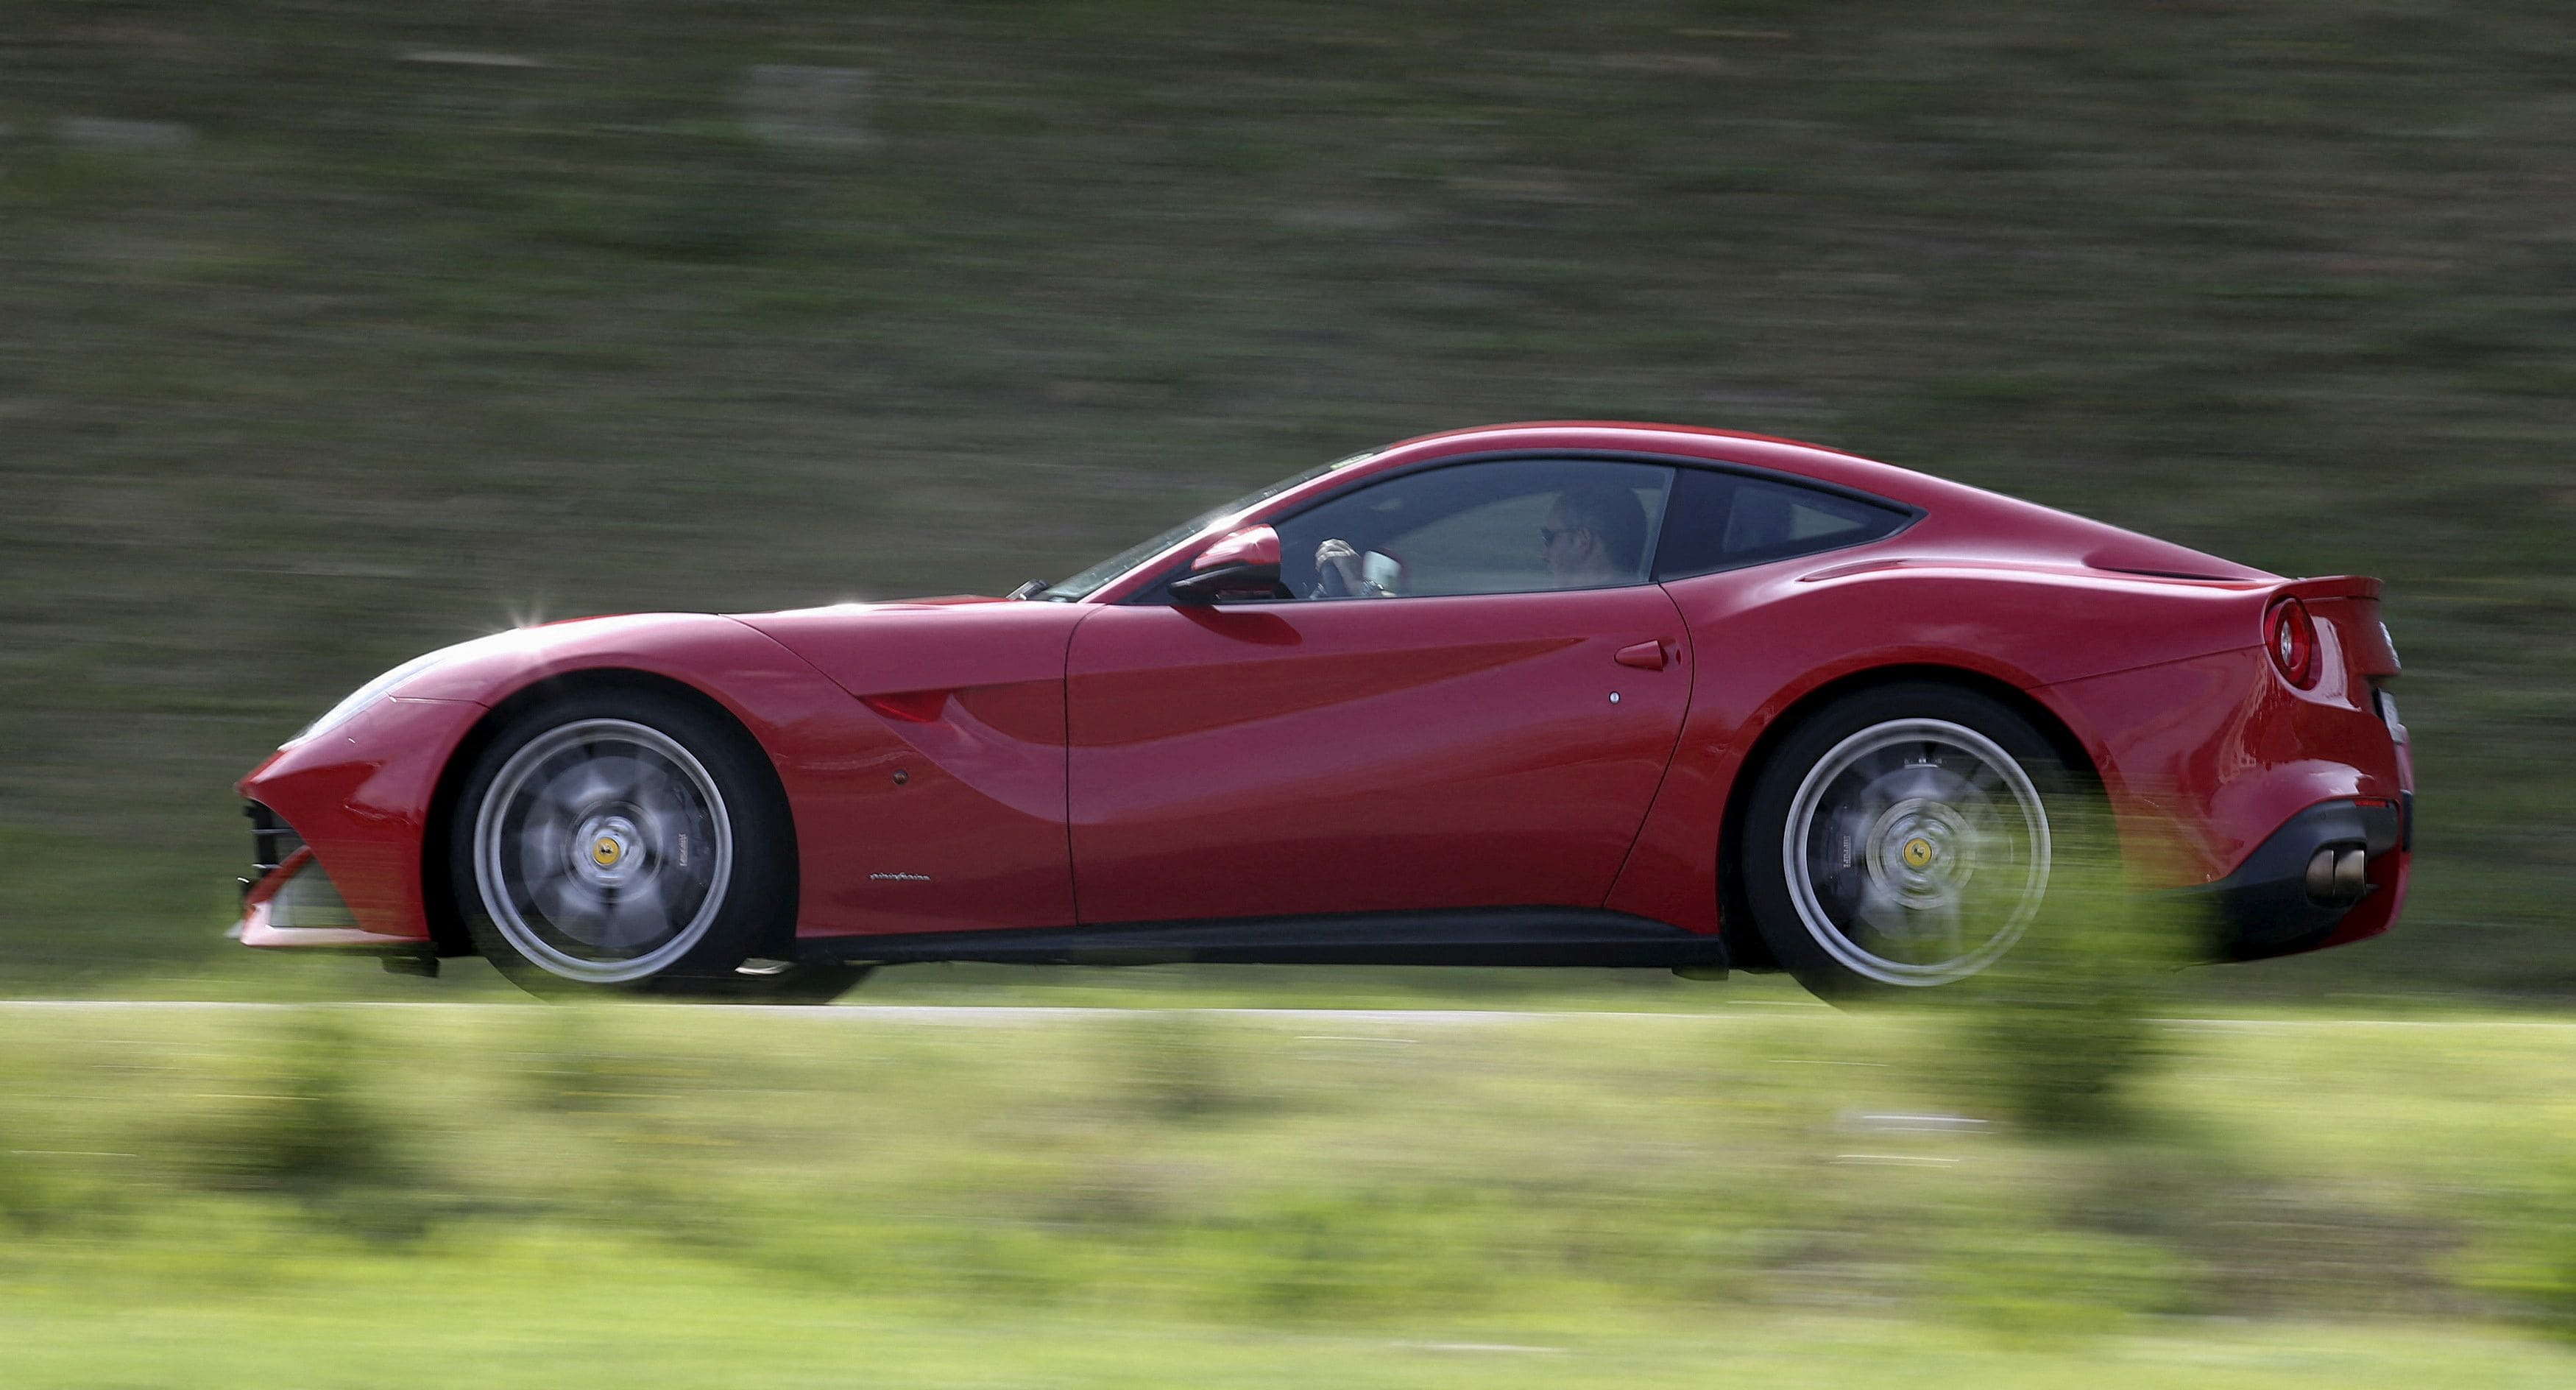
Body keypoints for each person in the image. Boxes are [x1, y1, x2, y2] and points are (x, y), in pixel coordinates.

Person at [1538, 482, 1649, 588]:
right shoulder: (1643, 602)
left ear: (1581, 540)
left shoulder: (1581, 606)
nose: (1545, 555)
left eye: (1549, 538)